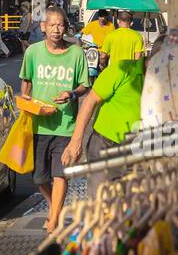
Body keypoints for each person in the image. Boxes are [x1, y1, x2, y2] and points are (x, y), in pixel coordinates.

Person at [19, 4, 90, 234]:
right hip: (39, 125)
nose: (57, 30)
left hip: (65, 126)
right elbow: (26, 82)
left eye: (61, 25)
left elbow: (84, 85)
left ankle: (54, 218)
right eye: (52, 25)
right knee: (39, 177)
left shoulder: (76, 53)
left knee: (60, 174)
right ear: (43, 27)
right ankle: (53, 205)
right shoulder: (33, 52)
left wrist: (71, 93)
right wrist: (25, 103)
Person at [62, 10, 146, 185]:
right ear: (130, 22)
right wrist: (76, 140)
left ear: (118, 21)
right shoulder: (137, 38)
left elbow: (103, 55)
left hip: (132, 142)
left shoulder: (112, 35)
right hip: (107, 139)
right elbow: (138, 57)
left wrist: (102, 65)